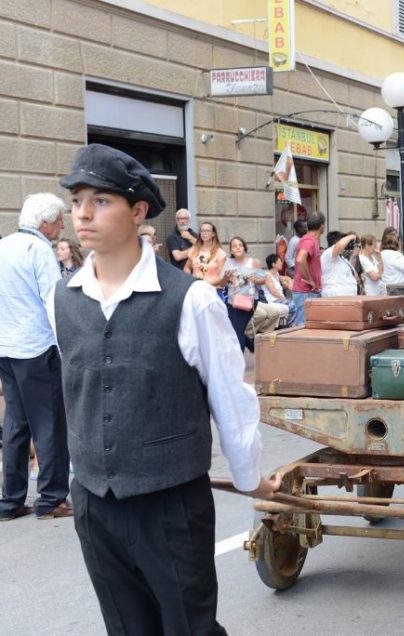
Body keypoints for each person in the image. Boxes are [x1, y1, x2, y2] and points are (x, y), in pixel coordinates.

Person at [55, 143, 280, 634]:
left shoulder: (191, 298)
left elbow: (229, 395)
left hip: (170, 502)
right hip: (95, 502)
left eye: (100, 201)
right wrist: (80, 472)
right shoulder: (64, 295)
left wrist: (250, 478)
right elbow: (75, 391)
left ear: (138, 211)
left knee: (189, 627)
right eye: (76, 201)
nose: (83, 214)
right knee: (126, 628)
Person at [0, 193, 72, 522]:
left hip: (6, 347)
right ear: (44, 222)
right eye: (59, 219)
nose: (62, 225)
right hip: (35, 347)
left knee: (16, 424)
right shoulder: (39, 249)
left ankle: (11, 500)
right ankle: (52, 498)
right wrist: (68, 346)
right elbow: (54, 302)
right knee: (49, 424)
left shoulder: (4, 245)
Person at [223, 237, 281, 352]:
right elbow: (223, 281)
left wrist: (254, 279)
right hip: (232, 301)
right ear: (231, 250)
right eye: (234, 246)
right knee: (235, 329)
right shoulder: (228, 263)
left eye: (240, 245)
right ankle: (253, 348)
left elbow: (263, 280)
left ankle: (238, 360)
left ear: (244, 247)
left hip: (248, 301)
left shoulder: (253, 262)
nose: (238, 247)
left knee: (237, 330)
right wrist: (228, 278)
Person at [292, 212, 325, 325]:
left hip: (307, 292)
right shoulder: (309, 240)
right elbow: (301, 259)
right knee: (304, 328)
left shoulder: (310, 240)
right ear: (322, 226)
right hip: (306, 292)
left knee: (309, 328)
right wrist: (310, 280)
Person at [184, 221, 228, 298]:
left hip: (213, 292)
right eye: (202, 231)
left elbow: (223, 279)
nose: (204, 233)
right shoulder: (195, 250)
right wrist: (190, 279)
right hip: (196, 291)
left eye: (207, 231)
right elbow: (187, 267)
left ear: (213, 234)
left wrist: (205, 283)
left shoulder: (220, 253)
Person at [321, 231, 360, 297]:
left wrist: (354, 255)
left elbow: (354, 276)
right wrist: (351, 236)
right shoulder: (328, 253)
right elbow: (338, 247)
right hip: (335, 297)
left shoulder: (342, 259)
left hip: (348, 298)